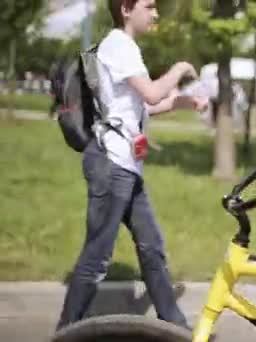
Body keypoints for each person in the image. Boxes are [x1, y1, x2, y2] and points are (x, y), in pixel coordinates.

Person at [56, 0, 207, 331]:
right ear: (126, 9)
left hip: (126, 167)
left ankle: (177, 327)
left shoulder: (123, 47)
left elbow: (140, 107)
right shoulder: (120, 45)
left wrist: (183, 101)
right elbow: (152, 94)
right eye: (149, 6)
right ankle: (65, 331)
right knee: (97, 257)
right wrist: (180, 68)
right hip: (112, 165)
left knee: (151, 247)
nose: (155, 14)